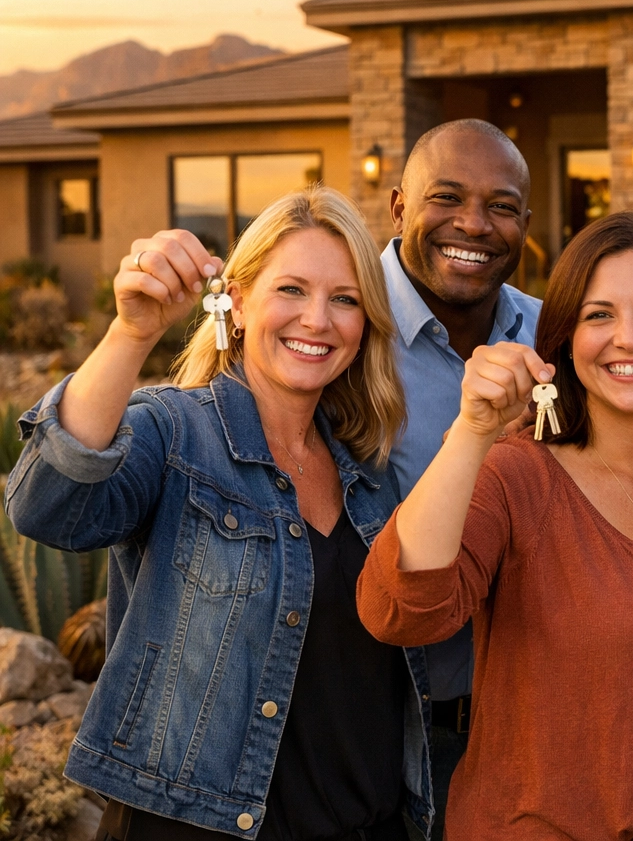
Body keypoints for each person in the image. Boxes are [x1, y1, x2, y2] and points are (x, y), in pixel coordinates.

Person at [358, 211, 633, 839]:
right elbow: (402, 610)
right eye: (599, 316)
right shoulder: (517, 476)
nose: (629, 337)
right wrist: (472, 432)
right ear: (566, 341)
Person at [4, 187, 431, 840]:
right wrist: (134, 329)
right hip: (196, 827)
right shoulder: (174, 434)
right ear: (235, 298)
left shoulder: (370, 476)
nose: (318, 319)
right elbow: (47, 507)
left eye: (344, 299)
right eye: (291, 289)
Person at [380, 117, 543, 837]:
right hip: (370, 729)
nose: (473, 225)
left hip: (527, 729)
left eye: (501, 207)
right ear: (398, 207)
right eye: (446, 198)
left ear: (526, 223)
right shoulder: (337, 331)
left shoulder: (559, 334)